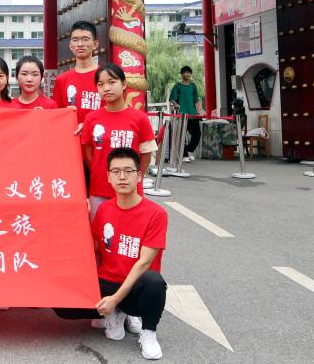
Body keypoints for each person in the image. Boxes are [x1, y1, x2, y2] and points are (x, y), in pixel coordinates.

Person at [54, 146, 168, 361]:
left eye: (128, 171)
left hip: (135, 288)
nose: (122, 177)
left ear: (139, 175)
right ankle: (115, 313)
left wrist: (114, 299)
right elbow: (95, 247)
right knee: (62, 304)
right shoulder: (104, 209)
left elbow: (144, 263)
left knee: (154, 282)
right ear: (108, 177)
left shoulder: (156, 214)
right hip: (107, 282)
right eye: (116, 172)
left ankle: (148, 332)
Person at [80, 64, 157, 220]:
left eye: (112, 82)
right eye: (101, 84)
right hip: (99, 190)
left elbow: (146, 156)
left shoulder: (140, 118)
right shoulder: (91, 118)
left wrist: (133, 177)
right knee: (99, 231)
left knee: (128, 231)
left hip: (130, 191)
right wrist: (102, 171)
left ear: (123, 84)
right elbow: (88, 153)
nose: (106, 88)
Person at [52, 21, 103, 123]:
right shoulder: (61, 80)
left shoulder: (106, 76)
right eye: (75, 40)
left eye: (85, 39)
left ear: (95, 44)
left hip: (98, 132)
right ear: (71, 45)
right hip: (71, 132)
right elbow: (57, 115)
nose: (80, 44)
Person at [169, 65, 203, 163]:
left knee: (197, 134)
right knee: (182, 136)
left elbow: (196, 100)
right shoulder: (178, 86)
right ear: (182, 74)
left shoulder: (193, 86)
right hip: (182, 115)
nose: (187, 74)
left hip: (193, 114)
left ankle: (189, 150)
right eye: (185, 72)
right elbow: (172, 99)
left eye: (189, 72)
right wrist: (175, 104)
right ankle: (184, 156)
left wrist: (199, 111)